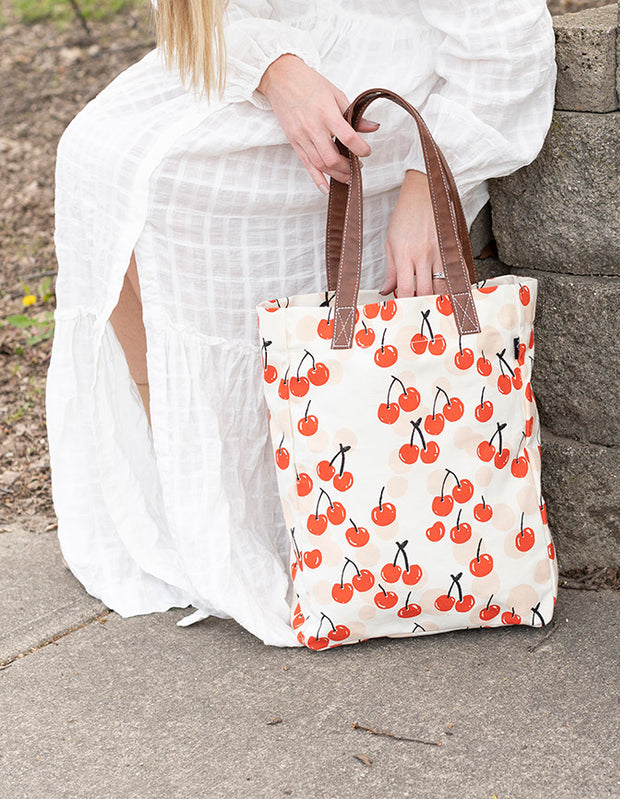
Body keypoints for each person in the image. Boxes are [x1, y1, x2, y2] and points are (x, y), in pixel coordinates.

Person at [45, 0, 556, 647]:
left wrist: (428, 189)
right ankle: (184, 496)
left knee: (173, 185)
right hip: (282, 63)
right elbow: (208, 21)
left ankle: (307, 528)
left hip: (394, 95)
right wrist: (275, 69)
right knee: (94, 154)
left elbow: (508, 41)